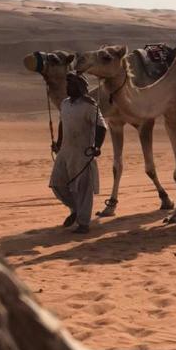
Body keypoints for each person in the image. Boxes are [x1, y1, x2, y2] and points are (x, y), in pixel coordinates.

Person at [50, 72, 107, 234]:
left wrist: (97, 146)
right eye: (67, 84)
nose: (67, 87)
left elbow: (101, 126)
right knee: (57, 184)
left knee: (83, 188)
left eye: (71, 85)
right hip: (65, 151)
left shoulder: (90, 106)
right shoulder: (65, 104)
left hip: (83, 153)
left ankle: (83, 223)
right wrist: (59, 143)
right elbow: (62, 123)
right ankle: (75, 209)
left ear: (79, 87)